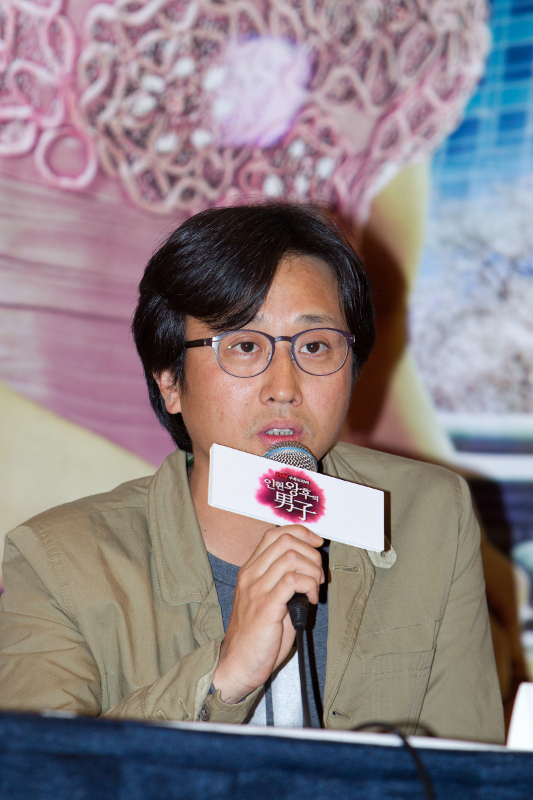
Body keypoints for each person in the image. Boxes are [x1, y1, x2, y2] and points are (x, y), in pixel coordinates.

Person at [0, 204, 504, 742]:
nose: (284, 387)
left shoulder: (426, 515)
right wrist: (223, 678)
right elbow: (42, 774)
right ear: (169, 380)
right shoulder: (59, 563)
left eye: (315, 346)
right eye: (244, 346)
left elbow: (468, 768)